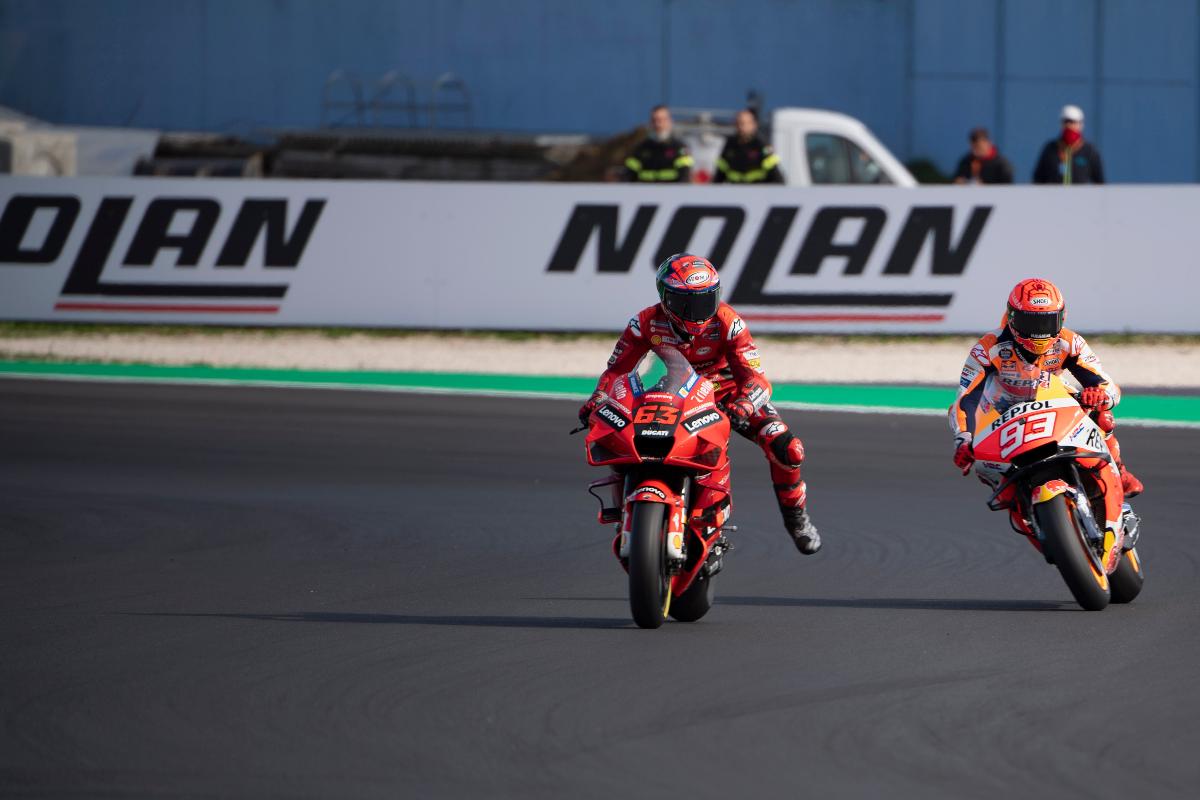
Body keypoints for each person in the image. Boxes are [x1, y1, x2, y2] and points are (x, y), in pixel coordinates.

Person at [579, 253, 820, 554]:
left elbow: (758, 380)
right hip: (675, 392)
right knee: (625, 432)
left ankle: (795, 518)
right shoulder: (644, 323)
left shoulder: (729, 323)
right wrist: (598, 397)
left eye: (706, 300)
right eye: (687, 303)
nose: (697, 312)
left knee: (787, 446)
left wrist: (744, 404)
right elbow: (617, 371)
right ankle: (627, 507)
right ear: (666, 299)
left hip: (729, 393)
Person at [949, 277, 1143, 497]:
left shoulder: (1070, 342)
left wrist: (1099, 396)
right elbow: (966, 398)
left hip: (1051, 400)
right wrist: (964, 439)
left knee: (1103, 417)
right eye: (1029, 323)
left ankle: (1118, 470)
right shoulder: (987, 348)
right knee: (984, 466)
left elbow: (1107, 384)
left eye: (1047, 322)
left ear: (1062, 318)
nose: (1039, 332)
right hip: (1001, 413)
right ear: (1012, 319)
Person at [1033, 105, 1104, 184]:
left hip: (1081, 195)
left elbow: (1099, 182)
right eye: (1066, 122)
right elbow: (1038, 179)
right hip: (1054, 195)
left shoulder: (1089, 151)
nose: (1069, 126)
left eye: (1073, 122)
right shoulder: (1050, 149)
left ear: (1080, 124)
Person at [621, 105, 694, 183]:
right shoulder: (640, 149)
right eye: (654, 120)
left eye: (662, 120)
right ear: (650, 123)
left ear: (670, 121)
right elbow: (629, 176)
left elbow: (684, 177)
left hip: (671, 193)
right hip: (644, 193)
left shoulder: (680, 148)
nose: (658, 124)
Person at [713, 108, 784, 184]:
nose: (741, 126)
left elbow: (776, 176)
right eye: (738, 123)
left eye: (744, 123)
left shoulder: (762, 145)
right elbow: (720, 173)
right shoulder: (730, 145)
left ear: (753, 125)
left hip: (758, 191)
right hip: (735, 192)